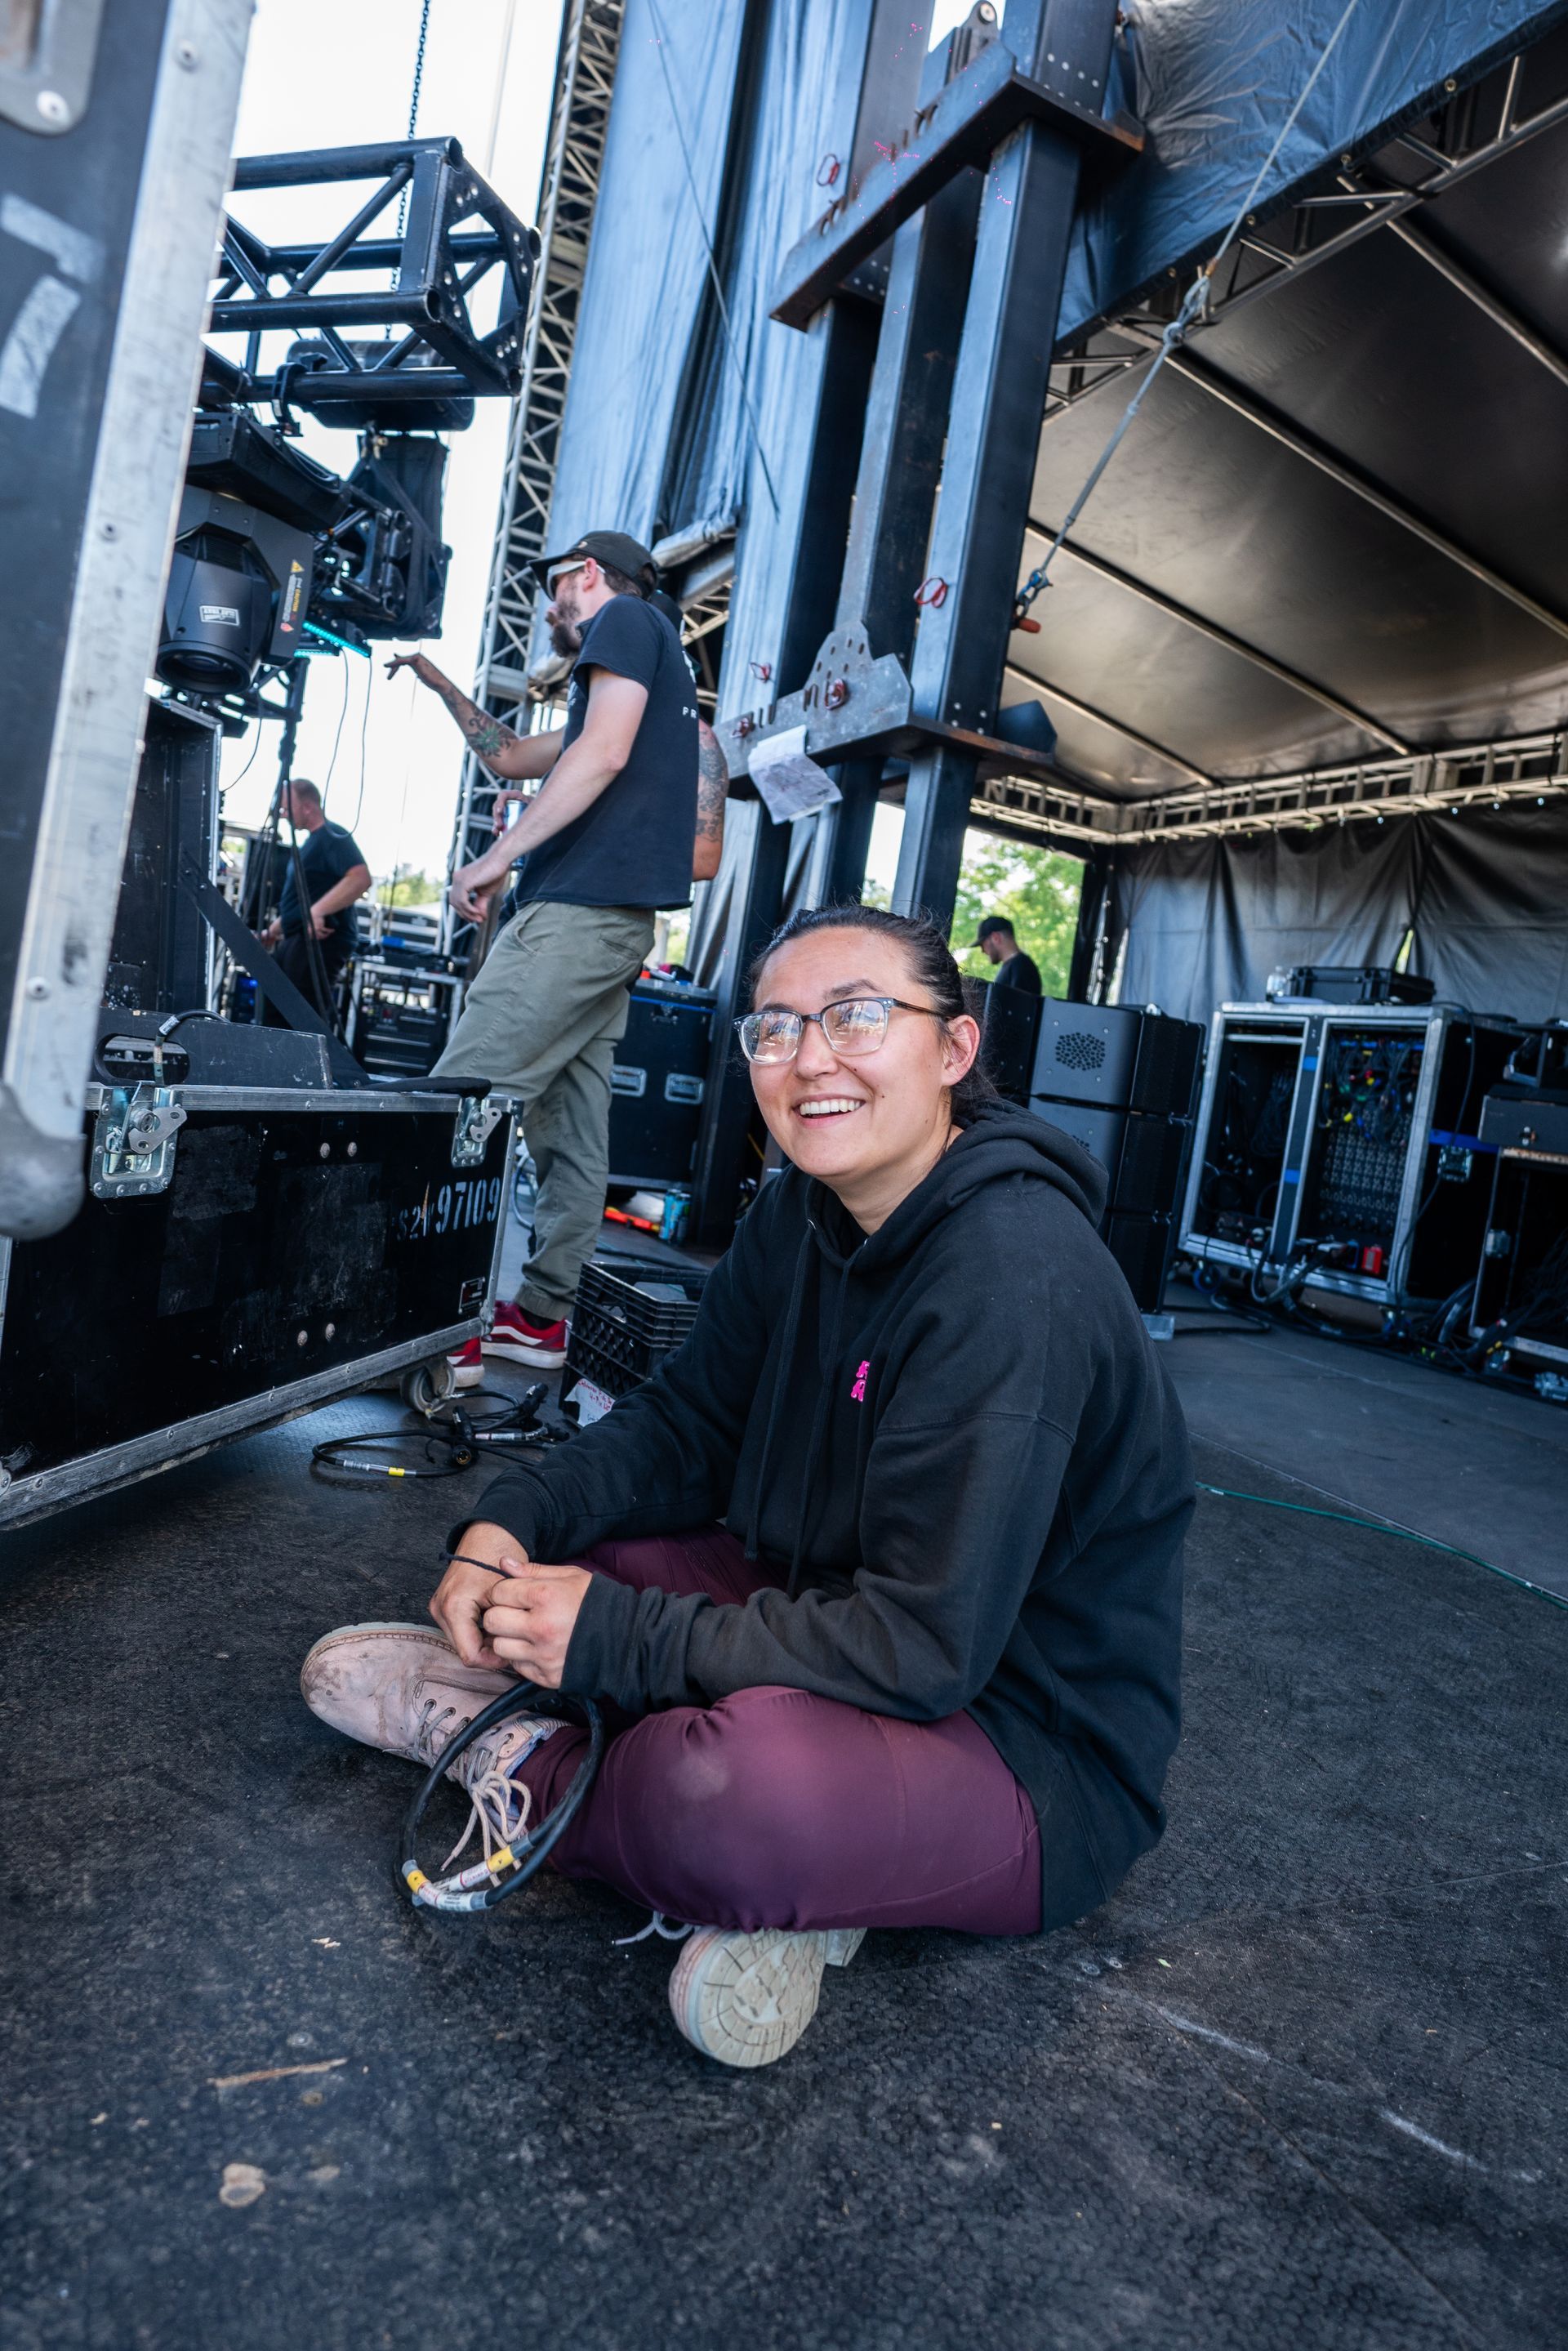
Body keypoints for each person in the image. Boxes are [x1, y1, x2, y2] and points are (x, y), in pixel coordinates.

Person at [301, 903, 1193, 2069]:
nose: (810, 1056)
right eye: (775, 1028)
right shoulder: (801, 1206)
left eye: (858, 1016)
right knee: (577, 1565)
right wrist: (504, 1523)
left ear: (954, 1051)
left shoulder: (1014, 1278)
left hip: (1017, 1739)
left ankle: (520, 1756)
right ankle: (811, 1867)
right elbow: (684, 1426)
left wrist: (619, 1642)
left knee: (732, 1790)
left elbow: (925, 1647)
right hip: (826, 1603)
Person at [386, 531, 728, 1376]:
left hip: (574, 917)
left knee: (463, 1103)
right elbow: (508, 754)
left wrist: (496, 857)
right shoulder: (645, 674)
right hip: (611, 926)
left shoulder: (627, 621)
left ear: (584, 574)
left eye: (554, 592)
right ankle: (542, 1316)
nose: (549, 610)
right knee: (570, 1130)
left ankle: (436, 1322)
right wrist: (439, 685)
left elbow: (602, 755)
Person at [259, 780, 369, 1023]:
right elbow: (299, 904)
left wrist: (317, 911)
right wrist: (272, 931)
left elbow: (360, 879)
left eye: (288, 808)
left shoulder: (333, 837)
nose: (283, 815)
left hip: (320, 941)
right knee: (273, 1008)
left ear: (307, 807)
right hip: (297, 938)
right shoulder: (310, 844)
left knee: (301, 1017)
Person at [973, 914, 1041, 993]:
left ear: (996, 938)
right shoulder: (1015, 965)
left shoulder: (1020, 965)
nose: (982, 951)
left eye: (982, 945)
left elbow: (1020, 1004)